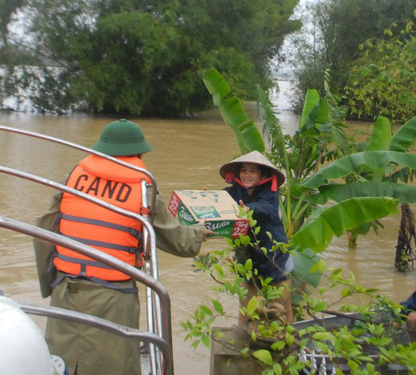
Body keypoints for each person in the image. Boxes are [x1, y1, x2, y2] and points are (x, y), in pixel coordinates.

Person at [33, 119, 212, 375]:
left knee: (62, 363)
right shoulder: (142, 187)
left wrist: (48, 283)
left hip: (65, 293)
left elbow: (45, 231)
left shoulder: (73, 177)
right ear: (138, 153)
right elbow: (175, 239)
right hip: (113, 299)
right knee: (114, 365)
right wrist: (199, 231)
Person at [219, 150, 294, 325]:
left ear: (262, 175)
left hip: (275, 258)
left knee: (282, 307)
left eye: (253, 171)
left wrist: (248, 209)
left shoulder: (271, 193)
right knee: (246, 307)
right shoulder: (234, 192)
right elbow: (221, 202)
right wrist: (210, 201)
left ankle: (291, 345)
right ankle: (242, 343)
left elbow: (266, 208)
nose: (247, 175)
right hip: (248, 258)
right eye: (244, 170)